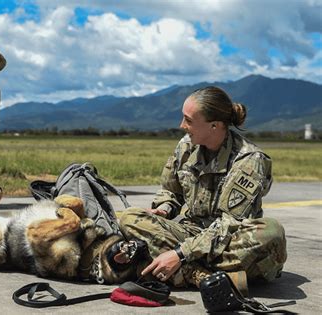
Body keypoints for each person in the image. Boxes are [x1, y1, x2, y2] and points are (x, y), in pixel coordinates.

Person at [117, 86, 287, 288]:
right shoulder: (186, 146)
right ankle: (202, 276)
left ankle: (167, 265)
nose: (182, 126)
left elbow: (229, 225)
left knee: (270, 232)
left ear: (214, 126)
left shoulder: (249, 160)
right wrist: (164, 209)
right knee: (130, 218)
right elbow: (171, 191)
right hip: (191, 232)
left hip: (229, 242)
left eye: (188, 120)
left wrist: (180, 253)